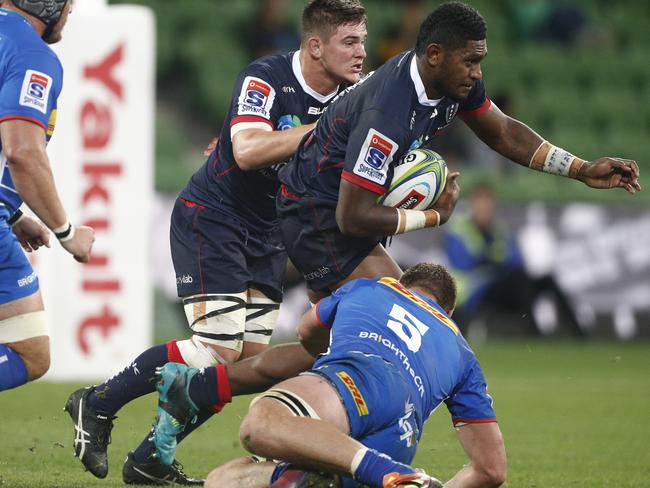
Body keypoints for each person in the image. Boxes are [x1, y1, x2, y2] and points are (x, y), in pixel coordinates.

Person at [141, 0, 639, 475]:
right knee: (405, 321)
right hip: (317, 217)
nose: (477, 73)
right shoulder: (390, 112)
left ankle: (205, 391)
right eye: (471, 61)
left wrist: (579, 168)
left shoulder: (447, 84)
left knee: (330, 345)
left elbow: (503, 131)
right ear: (436, 56)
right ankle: (350, 447)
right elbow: (354, 214)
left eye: (481, 61)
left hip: (322, 210)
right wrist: (432, 218)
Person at [63, 0, 368, 484]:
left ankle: (151, 457)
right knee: (219, 349)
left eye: (363, 41)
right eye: (350, 42)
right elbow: (247, 150)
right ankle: (97, 403)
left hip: (270, 232)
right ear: (315, 46)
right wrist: (325, 131)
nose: (361, 52)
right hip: (215, 216)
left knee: (244, 364)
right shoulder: (266, 76)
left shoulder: (352, 97)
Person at [155, 263, 506, 488]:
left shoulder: (375, 287)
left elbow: (307, 333)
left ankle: (384, 473)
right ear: (448, 311)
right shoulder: (462, 352)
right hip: (403, 434)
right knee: (223, 481)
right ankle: (380, 474)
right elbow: (492, 469)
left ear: (405, 283)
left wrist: (332, 359)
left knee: (262, 423)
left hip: (361, 376)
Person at [0, 0, 95, 393]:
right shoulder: (29, 53)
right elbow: (22, 151)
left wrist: (14, 212)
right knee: (27, 355)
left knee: (29, 351)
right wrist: (66, 230)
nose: (70, 12)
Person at [443, 183, 582, 336]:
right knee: (520, 281)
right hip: (477, 292)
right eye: (481, 206)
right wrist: (494, 260)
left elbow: (516, 261)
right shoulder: (459, 232)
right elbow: (463, 263)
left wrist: (493, 261)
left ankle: (579, 335)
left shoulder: (499, 231)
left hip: (503, 285)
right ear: (471, 206)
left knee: (546, 280)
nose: (485, 211)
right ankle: (534, 334)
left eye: (488, 207)